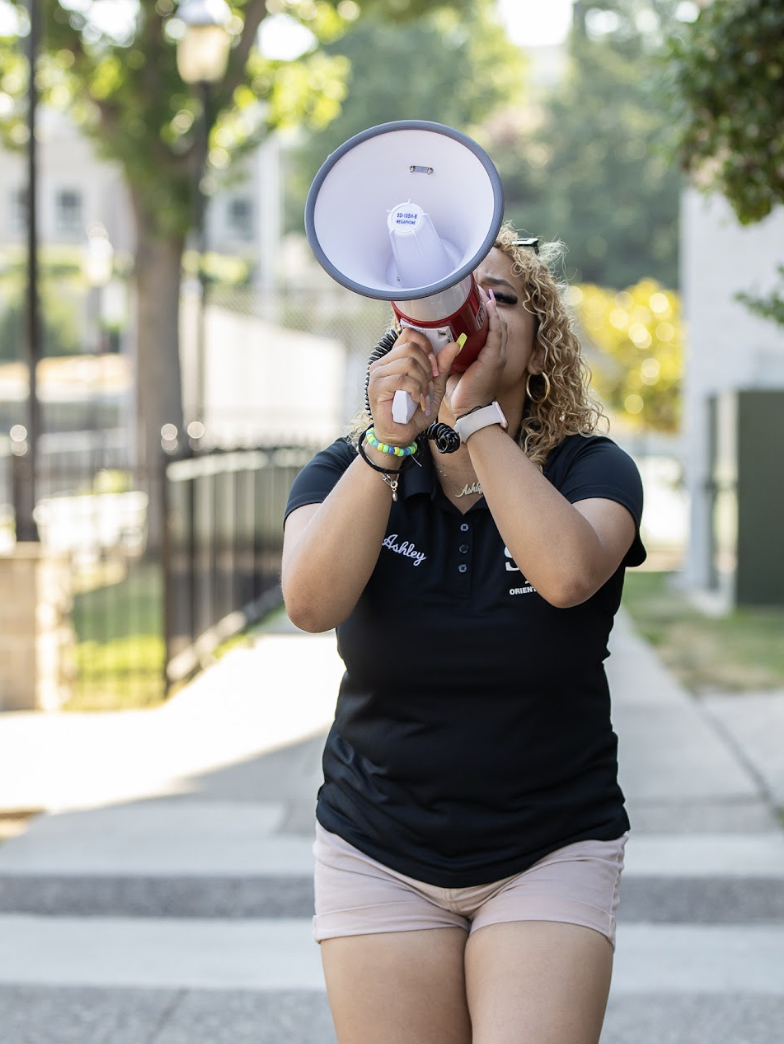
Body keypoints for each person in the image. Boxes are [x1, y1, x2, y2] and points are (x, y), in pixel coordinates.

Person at [282, 222, 646, 1044]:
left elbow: (565, 573)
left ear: (542, 351)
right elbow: (308, 603)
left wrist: (474, 418)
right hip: (378, 844)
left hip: (549, 846)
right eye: (451, 295)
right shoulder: (348, 468)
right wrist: (387, 442)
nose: (472, 307)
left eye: (502, 296)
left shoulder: (593, 471)